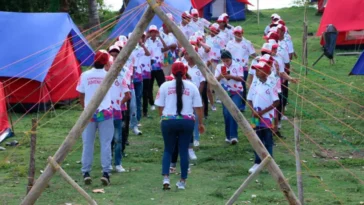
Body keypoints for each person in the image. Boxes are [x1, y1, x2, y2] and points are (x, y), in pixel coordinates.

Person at [155, 61, 205, 190]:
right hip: (187, 121)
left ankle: (166, 178)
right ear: (185, 72)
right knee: (183, 151)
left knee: (167, 150)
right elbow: (199, 108)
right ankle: (182, 181)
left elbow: (159, 106)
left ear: (172, 71)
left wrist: (163, 118)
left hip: (168, 120)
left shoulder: (165, 86)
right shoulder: (192, 86)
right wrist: (201, 123)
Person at [76, 51, 114, 186]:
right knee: (106, 143)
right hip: (106, 113)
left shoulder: (85, 75)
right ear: (105, 62)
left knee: (87, 143)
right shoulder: (109, 75)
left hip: (89, 113)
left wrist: (85, 108)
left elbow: (80, 94)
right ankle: (106, 173)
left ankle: (86, 172)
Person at [247, 62, 280, 174]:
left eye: (259, 70)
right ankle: (257, 162)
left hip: (267, 116)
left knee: (268, 139)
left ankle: (270, 163)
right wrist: (254, 112)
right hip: (255, 117)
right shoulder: (255, 84)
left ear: (265, 72)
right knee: (256, 139)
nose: (256, 72)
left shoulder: (271, 84)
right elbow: (249, 99)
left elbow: (276, 102)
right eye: (255, 70)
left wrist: (262, 112)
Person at [107, 46, 132, 173]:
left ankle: (117, 163)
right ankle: (108, 163)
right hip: (106, 112)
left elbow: (128, 95)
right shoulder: (105, 79)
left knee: (117, 138)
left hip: (118, 112)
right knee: (108, 138)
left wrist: (119, 104)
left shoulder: (122, 78)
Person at [215, 50, 244, 145]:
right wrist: (221, 75)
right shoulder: (219, 67)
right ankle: (228, 136)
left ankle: (233, 136)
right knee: (226, 113)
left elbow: (241, 78)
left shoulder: (238, 65)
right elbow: (215, 80)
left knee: (234, 111)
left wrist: (230, 76)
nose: (226, 63)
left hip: (237, 91)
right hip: (225, 92)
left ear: (231, 59)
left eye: (227, 60)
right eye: (224, 61)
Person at [226, 26, 256, 112]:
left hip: (243, 67)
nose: (238, 35)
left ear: (242, 33)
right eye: (236, 33)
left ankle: (242, 105)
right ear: (234, 34)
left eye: (240, 33)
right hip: (232, 67)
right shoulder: (230, 43)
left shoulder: (247, 43)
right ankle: (232, 102)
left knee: (242, 85)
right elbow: (226, 54)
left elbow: (253, 54)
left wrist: (261, 59)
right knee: (231, 84)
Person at [145, 25, 169, 112]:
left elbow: (166, 48)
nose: (153, 34)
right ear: (149, 33)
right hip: (149, 67)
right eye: (151, 32)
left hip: (158, 66)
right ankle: (151, 103)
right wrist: (146, 37)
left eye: (155, 32)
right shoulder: (147, 41)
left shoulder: (159, 41)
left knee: (162, 84)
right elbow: (141, 46)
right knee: (149, 86)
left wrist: (160, 38)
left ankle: (164, 101)